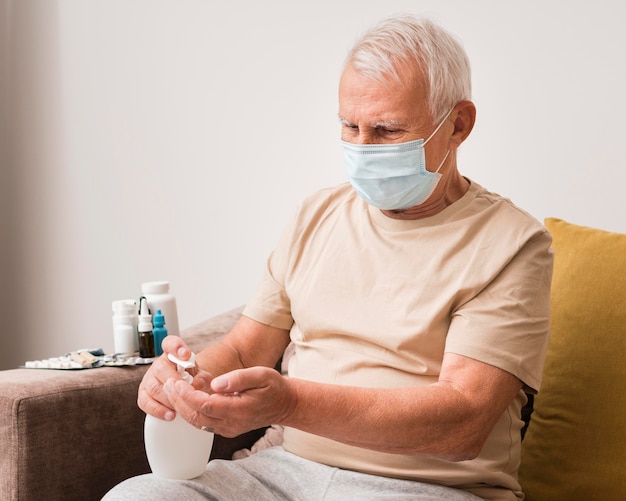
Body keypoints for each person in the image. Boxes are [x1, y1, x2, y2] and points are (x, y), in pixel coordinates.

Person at [104, 14, 552, 501]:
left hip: (426, 488)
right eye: (349, 126)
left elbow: (462, 423)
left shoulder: (512, 243)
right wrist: (186, 380)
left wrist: (290, 403)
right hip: (285, 472)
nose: (362, 148)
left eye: (386, 130)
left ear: (458, 124)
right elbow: (242, 349)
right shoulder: (315, 215)